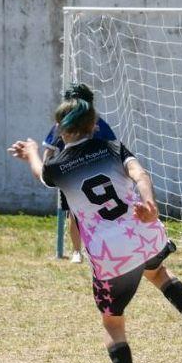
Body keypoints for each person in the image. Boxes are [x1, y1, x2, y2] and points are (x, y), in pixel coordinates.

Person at [9, 90, 182, 363]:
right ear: (94, 124)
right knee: (158, 272)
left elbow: (40, 172)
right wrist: (150, 204)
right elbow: (140, 174)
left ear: (61, 131)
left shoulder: (58, 166)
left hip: (110, 254)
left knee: (113, 322)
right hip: (141, 233)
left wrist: (32, 152)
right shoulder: (111, 148)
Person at [43, 84, 118, 263]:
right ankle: (77, 250)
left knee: (100, 211)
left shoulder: (98, 124)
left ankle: (103, 247)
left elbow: (113, 147)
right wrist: (48, 165)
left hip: (96, 174)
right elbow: (49, 149)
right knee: (73, 212)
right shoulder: (61, 125)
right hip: (70, 174)